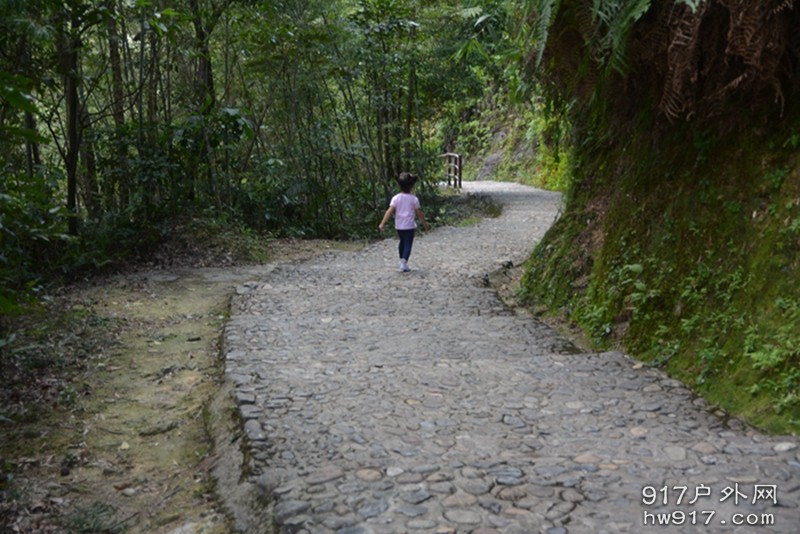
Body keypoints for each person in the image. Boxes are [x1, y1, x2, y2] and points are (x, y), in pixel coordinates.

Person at [378, 172, 430, 272]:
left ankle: (401, 259)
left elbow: (389, 211)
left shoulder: (396, 198)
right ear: (411, 186)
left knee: (402, 242)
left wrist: (382, 223)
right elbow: (419, 213)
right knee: (408, 244)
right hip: (409, 226)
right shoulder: (414, 199)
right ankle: (404, 261)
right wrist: (425, 224)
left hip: (399, 226)